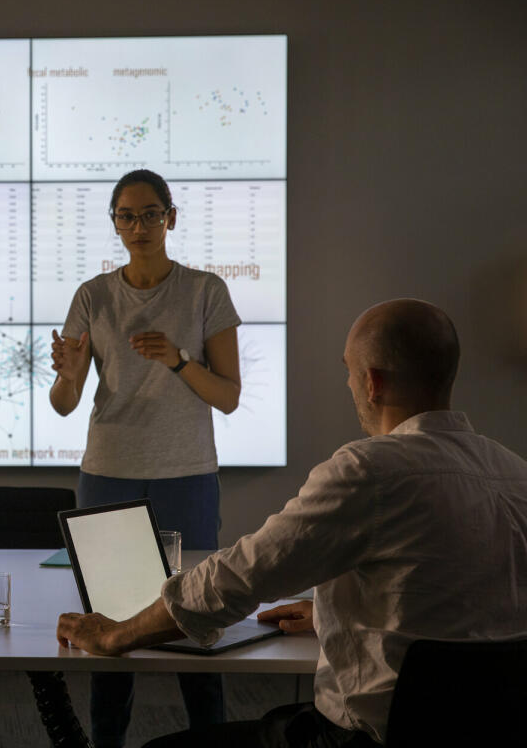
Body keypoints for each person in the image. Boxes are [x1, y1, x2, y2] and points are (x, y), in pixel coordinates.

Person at [56, 299, 527, 747]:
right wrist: (326, 613)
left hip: (360, 740)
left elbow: (236, 579)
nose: (348, 385)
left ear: (373, 383)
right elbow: (461, 606)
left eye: (348, 371)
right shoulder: (513, 471)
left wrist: (117, 633)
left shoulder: (369, 471)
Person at [48, 169, 241, 745]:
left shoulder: (205, 290)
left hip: (186, 472)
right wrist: (64, 374)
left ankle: (213, 736)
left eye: (151, 214)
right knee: (109, 621)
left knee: (197, 617)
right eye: (127, 216)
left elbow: (229, 397)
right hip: (107, 472)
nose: (139, 226)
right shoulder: (93, 295)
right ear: (114, 224)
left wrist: (179, 361)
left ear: (171, 218)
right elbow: (64, 405)